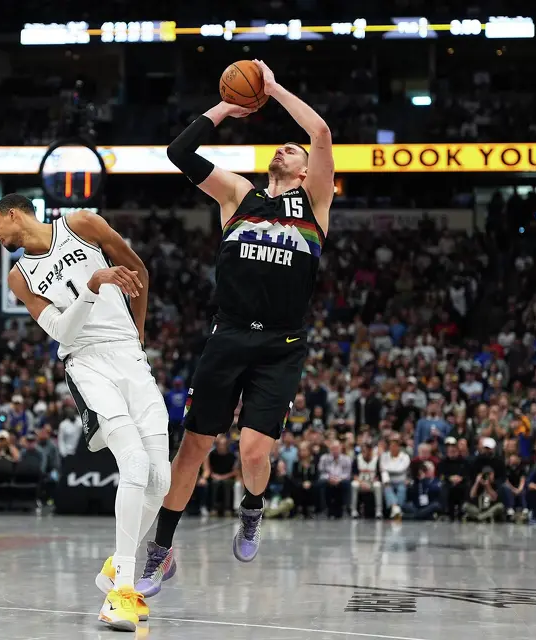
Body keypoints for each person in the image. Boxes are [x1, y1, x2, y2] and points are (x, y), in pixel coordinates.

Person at [143, 58, 333, 592]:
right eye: (282, 146)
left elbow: (319, 132)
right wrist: (229, 104)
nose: (285, 148)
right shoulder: (237, 196)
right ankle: (159, 550)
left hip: (281, 343)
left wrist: (271, 88)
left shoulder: (314, 203)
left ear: (305, 171)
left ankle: (252, 507)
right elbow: (179, 153)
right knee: (193, 450)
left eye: (292, 151)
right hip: (227, 335)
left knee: (253, 451)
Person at [0, 195, 170, 631]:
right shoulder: (20, 276)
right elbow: (59, 330)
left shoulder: (83, 223)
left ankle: (115, 564)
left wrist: (138, 337)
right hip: (85, 361)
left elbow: (139, 273)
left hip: (128, 354)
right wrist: (93, 286)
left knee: (159, 479)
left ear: (13, 213)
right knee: (132, 463)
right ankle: (121, 592)